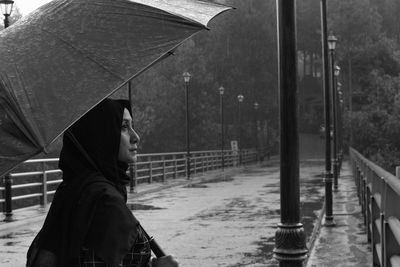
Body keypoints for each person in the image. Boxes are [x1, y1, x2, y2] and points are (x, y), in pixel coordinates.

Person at [26, 98, 178, 267]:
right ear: (102, 135)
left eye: (132, 127)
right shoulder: (105, 203)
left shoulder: (74, 190)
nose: (136, 137)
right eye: (123, 127)